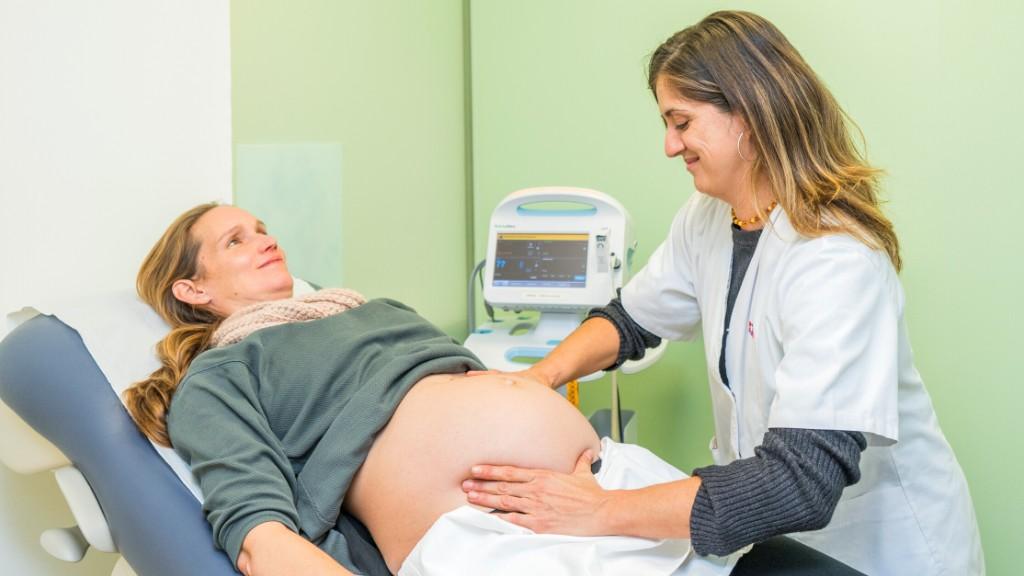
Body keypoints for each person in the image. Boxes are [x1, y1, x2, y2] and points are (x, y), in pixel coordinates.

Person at [461, 10, 984, 576]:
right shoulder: (710, 217)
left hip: (879, 552)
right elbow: (632, 321)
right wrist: (539, 379)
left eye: (681, 122)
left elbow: (799, 481)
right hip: (778, 548)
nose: (669, 144)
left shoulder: (836, 258)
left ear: (750, 114)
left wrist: (600, 510)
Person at [122, 203, 725, 576]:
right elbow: (261, 535)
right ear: (192, 291)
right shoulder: (221, 374)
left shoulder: (374, 308)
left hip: (611, 489)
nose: (263, 239)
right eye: (235, 241)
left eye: (260, 228)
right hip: (491, 538)